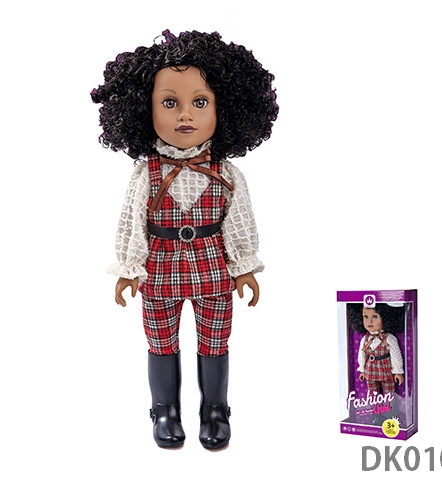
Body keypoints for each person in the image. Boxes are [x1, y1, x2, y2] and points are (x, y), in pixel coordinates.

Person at [91, 30, 278, 450]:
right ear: (145, 109)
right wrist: (128, 268)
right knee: (160, 341)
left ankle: (215, 409)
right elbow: (132, 222)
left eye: (200, 102)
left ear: (223, 107)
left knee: (215, 339)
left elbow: (239, 223)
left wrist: (244, 267)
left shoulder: (227, 173)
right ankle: (165, 410)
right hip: (158, 269)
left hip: (213, 268)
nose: (185, 115)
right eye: (169, 103)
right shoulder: (146, 173)